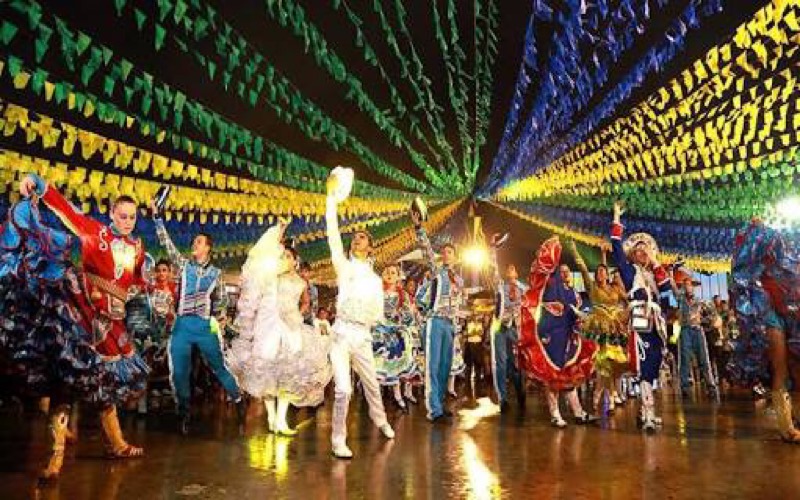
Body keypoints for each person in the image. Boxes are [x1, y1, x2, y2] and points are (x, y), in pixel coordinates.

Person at [18, 174, 148, 461]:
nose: (127, 222)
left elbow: (136, 279)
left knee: (105, 383)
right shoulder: (93, 231)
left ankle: (113, 442)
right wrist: (38, 183)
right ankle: (76, 445)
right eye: (123, 216)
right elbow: (65, 208)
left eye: (132, 218)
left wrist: (145, 291)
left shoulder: (138, 247)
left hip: (114, 321)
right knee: (74, 376)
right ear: (112, 213)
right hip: (84, 314)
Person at [227, 220, 332, 435]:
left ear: (295, 261)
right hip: (269, 326)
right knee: (266, 371)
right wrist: (280, 230)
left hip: (291, 326)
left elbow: (305, 303)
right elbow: (265, 251)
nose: (285, 259)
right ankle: (272, 418)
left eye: (289, 257)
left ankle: (282, 420)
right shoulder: (270, 278)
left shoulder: (300, 282)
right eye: (282, 256)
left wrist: (299, 313)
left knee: (289, 372)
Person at [150, 201, 245, 435]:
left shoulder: (216, 274)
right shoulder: (183, 266)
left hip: (204, 326)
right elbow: (167, 244)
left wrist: (221, 322)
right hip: (182, 324)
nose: (194, 243)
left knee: (218, 366)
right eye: (194, 241)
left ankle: (238, 399)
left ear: (208, 248)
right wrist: (157, 218)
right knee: (179, 370)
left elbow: (222, 301)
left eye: (199, 242)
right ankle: (183, 412)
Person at [325, 168, 394, 459]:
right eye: (355, 236)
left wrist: (367, 325)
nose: (357, 238)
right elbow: (332, 231)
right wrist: (330, 199)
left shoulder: (377, 280)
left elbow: (377, 313)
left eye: (363, 237)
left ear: (371, 246)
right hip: (340, 333)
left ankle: (381, 421)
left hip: (362, 335)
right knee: (343, 390)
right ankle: (338, 440)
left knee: (372, 383)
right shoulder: (343, 264)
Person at [729, 219, 800, 443]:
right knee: (781, 370)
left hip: (792, 315)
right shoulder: (756, 277)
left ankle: (795, 418)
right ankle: (786, 426)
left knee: (796, 368)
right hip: (770, 315)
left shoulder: (790, 261)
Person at [518, 236, 597, 428]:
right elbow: (541, 270)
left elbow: (579, 312)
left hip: (569, 338)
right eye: (561, 270)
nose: (564, 273)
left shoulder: (573, 293)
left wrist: (582, 320)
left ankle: (578, 412)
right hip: (551, 335)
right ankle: (555, 414)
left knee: (568, 375)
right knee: (551, 375)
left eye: (566, 271)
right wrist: (552, 249)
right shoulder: (549, 284)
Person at [610, 202, 672, 432]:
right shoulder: (628, 271)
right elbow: (616, 247)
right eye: (638, 250)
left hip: (656, 321)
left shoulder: (653, 274)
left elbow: (666, 291)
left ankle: (645, 410)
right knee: (644, 362)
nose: (642, 252)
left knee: (654, 364)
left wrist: (656, 263)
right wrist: (616, 217)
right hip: (640, 316)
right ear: (633, 255)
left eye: (646, 249)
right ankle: (648, 413)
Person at [412, 211, 465, 422]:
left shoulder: (459, 280)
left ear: (456, 257)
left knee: (445, 366)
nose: (446, 254)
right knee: (433, 366)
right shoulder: (436, 272)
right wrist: (419, 229)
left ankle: (440, 404)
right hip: (435, 322)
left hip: (450, 325)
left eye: (450, 251)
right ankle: (434, 410)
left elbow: (460, 302)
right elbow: (426, 250)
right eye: (443, 251)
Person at [570, 241, 629, 415]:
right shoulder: (592, 287)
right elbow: (581, 267)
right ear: (596, 275)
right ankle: (606, 397)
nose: (601, 273)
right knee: (603, 364)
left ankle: (607, 394)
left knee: (614, 364)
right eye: (599, 272)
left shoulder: (614, 288)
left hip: (614, 329)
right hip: (598, 329)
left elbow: (628, 298)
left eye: (604, 271)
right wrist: (574, 250)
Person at [372, 263, 419, 412]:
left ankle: (398, 397)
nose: (389, 274)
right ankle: (376, 400)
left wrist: (404, 318)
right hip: (378, 332)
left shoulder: (402, 294)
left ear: (398, 276)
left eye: (393, 272)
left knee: (395, 368)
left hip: (394, 333)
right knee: (377, 367)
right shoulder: (376, 292)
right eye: (386, 271)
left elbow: (407, 315)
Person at [490, 245, 528, 413]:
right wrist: (493, 249)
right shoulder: (500, 286)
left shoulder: (523, 289)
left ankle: (520, 389)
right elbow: (492, 268)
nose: (510, 270)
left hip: (516, 328)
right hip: (500, 327)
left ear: (517, 273)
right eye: (508, 269)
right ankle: (503, 399)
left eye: (513, 269)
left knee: (517, 363)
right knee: (500, 363)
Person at [672, 275, 718, 399]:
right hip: (685, 330)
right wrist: (671, 274)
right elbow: (673, 287)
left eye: (690, 285)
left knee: (704, 358)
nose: (688, 287)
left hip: (697, 330)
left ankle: (711, 385)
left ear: (693, 287)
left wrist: (702, 320)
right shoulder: (680, 299)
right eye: (685, 285)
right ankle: (685, 386)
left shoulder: (701, 302)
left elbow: (713, 316)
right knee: (685, 358)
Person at [299, 262, 318, 326]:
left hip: (309, 321)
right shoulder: (294, 288)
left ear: (310, 273)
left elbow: (314, 307)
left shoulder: (313, 289)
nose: (303, 274)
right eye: (300, 271)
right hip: (295, 319)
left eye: (306, 271)